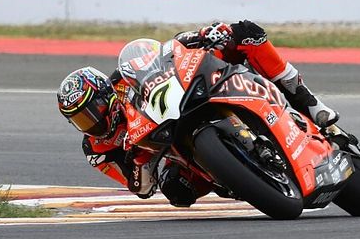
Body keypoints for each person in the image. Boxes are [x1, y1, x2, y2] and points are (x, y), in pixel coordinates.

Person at [55, 21, 340, 206]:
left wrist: (203, 36)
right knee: (177, 192)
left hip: (181, 103)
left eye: (92, 111)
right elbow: (139, 187)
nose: (91, 122)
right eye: (81, 119)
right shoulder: (96, 148)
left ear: (105, 95)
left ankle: (311, 103)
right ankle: (232, 177)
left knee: (245, 34)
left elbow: (166, 52)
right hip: (165, 148)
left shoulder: (122, 77)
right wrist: (140, 166)